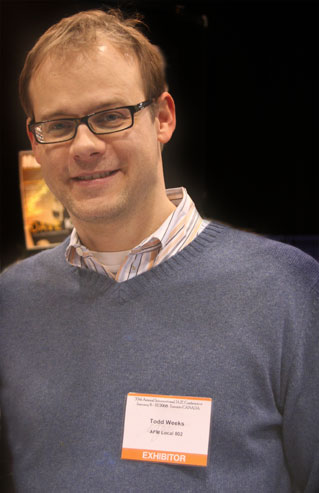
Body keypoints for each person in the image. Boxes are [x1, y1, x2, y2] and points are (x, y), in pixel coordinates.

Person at [0, 8, 318, 493]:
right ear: (36, 143)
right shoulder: (11, 302)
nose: (83, 145)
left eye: (109, 116)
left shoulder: (287, 291)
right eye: (60, 124)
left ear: (163, 118)